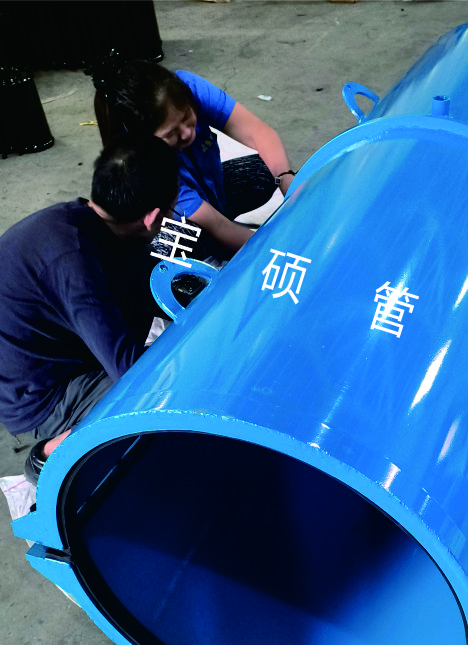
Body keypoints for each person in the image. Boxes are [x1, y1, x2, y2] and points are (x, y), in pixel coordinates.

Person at [0, 135, 180, 483]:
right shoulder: (73, 262)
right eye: (171, 211)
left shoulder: (99, 220)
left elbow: (156, 279)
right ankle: (51, 455)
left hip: (65, 349)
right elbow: (130, 370)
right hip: (41, 393)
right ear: (152, 217)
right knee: (162, 396)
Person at [92, 58, 295, 258]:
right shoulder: (142, 160)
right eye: (171, 134)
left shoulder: (185, 87)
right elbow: (215, 223)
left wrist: (287, 180)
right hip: (184, 220)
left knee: (265, 170)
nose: (187, 133)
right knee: (171, 248)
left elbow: (258, 132)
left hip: (211, 194)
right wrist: (275, 253)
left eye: (187, 118)